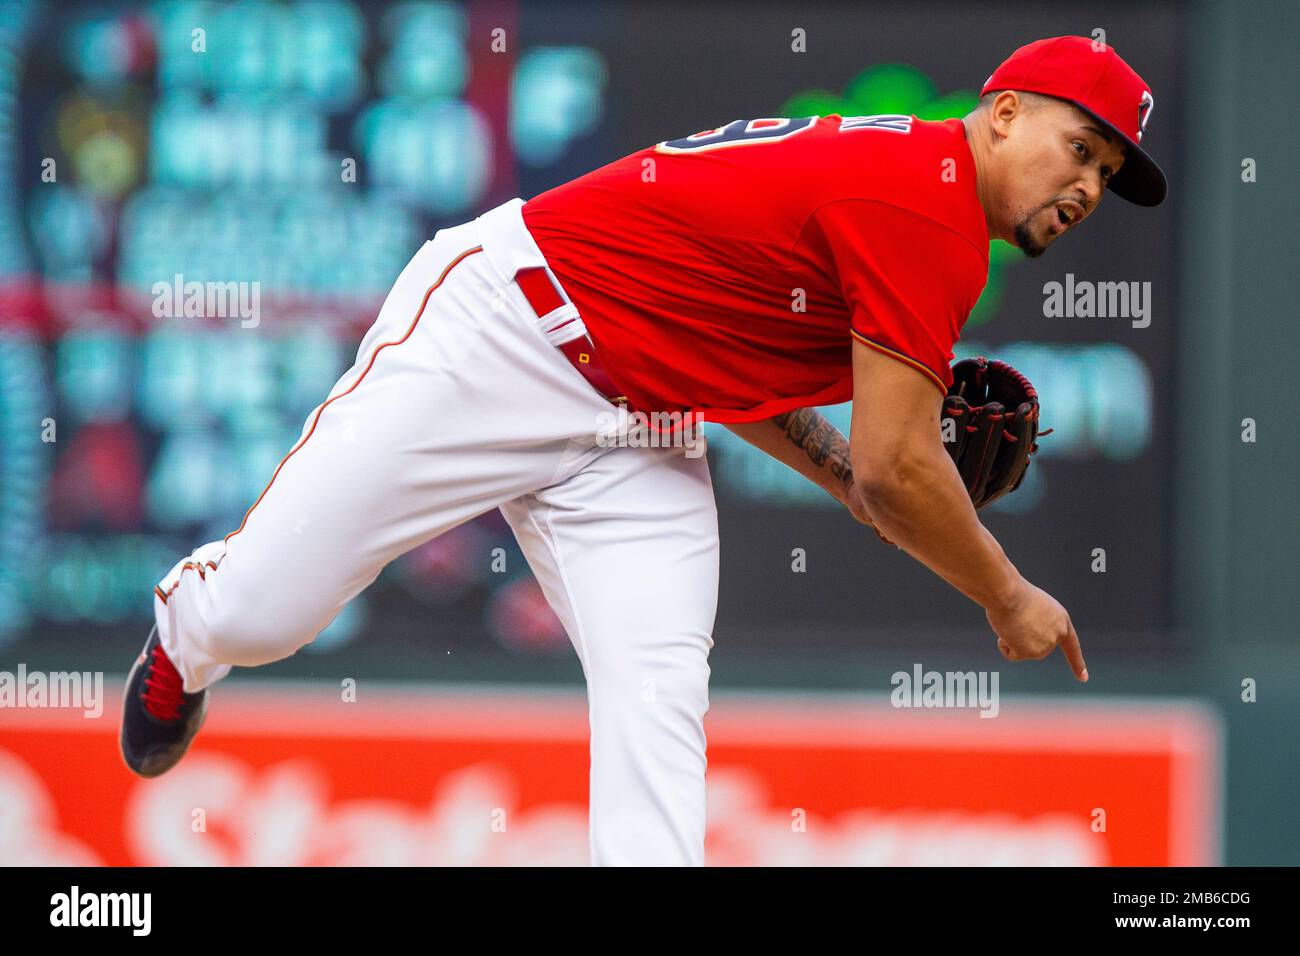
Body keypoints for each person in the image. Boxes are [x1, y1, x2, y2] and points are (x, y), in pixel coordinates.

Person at [120, 35, 1166, 866]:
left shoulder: (917, 192)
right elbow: (902, 471)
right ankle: (184, 630)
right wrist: (1005, 593)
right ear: (1005, 112)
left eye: (1106, 174)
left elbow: (738, 365)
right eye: (1080, 148)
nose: (1086, 186)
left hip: (638, 426)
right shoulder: (921, 204)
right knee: (264, 614)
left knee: (656, 693)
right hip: (500, 334)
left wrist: (845, 476)